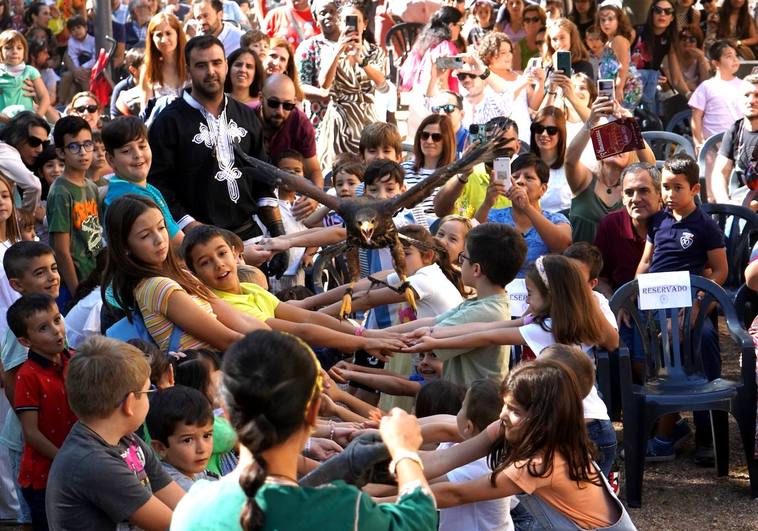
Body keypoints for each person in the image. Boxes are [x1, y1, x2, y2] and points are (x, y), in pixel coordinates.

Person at [170, 329, 437, 530]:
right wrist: (404, 451)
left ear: (226, 416)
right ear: (312, 412)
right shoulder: (343, 509)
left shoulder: (192, 507)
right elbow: (419, 518)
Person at [419, 357, 635, 530]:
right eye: (505, 404)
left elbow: (456, 494)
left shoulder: (541, 463)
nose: (503, 414)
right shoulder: (510, 427)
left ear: (545, 420)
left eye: (515, 411)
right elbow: (444, 458)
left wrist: (386, 505)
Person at [148, 34, 286, 271]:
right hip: (200, 248)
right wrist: (196, 231)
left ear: (226, 65)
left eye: (216, 63)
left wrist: (279, 235)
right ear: (189, 70)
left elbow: (262, 178)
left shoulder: (246, 116)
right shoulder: (169, 122)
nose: (211, 71)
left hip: (249, 237)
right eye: (201, 65)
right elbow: (158, 185)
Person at [181, 223, 406, 352]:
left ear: (234, 252)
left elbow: (307, 318)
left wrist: (362, 333)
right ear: (195, 273)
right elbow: (300, 330)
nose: (219, 264)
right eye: (205, 262)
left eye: (221, 254)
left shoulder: (251, 289)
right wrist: (364, 342)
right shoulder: (226, 305)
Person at [635, 153, 727, 463]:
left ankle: (707, 436)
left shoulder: (704, 226)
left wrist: (698, 306)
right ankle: (659, 430)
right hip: (654, 306)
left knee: (702, 343)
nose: (670, 195)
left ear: (695, 189)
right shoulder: (659, 221)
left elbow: (721, 270)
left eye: (678, 188)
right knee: (632, 346)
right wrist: (633, 294)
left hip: (690, 306)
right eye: (665, 187)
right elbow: (646, 263)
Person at [45, 336, 185, 530]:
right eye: (148, 391)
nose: (150, 398)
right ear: (129, 404)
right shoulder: (93, 462)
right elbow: (178, 525)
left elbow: (184, 504)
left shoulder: (126, 439)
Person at [102, 195, 269, 352]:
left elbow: (240, 319)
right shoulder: (157, 287)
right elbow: (227, 340)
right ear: (124, 246)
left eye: (161, 227)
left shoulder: (182, 275)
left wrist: (273, 339)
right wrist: (276, 349)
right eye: (145, 235)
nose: (159, 239)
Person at [385, 223, 527, 387]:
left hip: (470, 404)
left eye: (464, 257)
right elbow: (432, 322)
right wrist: (372, 335)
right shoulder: (483, 302)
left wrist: (367, 339)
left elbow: (429, 336)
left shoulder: (486, 310)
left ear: (476, 269)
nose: (460, 263)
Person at [7, 293, 76, 530]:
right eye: (44, 328)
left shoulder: (75, 360)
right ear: (26, 341)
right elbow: (31, 433)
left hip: (78, 467)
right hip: (45, 477)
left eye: (57, 320)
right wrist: (65, 460)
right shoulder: (28, 376)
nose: (57, 330)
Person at [565, 95, 656, 243]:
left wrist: (631, 125)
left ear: (632, 154)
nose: (616, 146)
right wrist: (591, 122)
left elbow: (650, 165)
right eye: (611, 140)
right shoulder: (586, 179)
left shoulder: (633, 187)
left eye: (622, 143)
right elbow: (570, 161)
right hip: (581, 261)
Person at [316, 3, 388, 172]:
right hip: (338, 121)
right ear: (340, 24)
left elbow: (381, 83)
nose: (351, 26)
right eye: (347, 21)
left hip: (366, 119)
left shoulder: (374, 52)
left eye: (356, 21)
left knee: (367, 172)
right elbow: (324, 84)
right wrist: (338, 51)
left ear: (364, 24)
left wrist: (361, 60)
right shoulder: (330, 51)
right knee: (337, 173)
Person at [474, 153, 571, 275]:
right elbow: (472, 240)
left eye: (529, 178)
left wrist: (527, 208)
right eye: (515, 177)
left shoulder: (556, 220)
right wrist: (487, 203)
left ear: (543, 189)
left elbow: (562, 247)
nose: (520, 181)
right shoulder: (493, 216)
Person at [438, 379, 511, 531]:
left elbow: (426, 481)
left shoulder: (484, 463)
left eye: (461, 407)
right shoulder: (458, 443)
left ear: (468, 426)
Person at [102, 116, 184, 248]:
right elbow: (177, 244)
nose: (138, 155)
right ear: (111, 159)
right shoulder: (128, 197)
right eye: (126, 151)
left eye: (142, 146)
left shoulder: (147, 188)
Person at [46, 116, 103, 301]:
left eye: (87, 144)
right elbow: (61, 250)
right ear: (61, 153)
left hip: (95, 276)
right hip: (75, 284)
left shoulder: (91, 186)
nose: (83, 152)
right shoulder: (61, 192)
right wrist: (76, 291)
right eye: (74, 146)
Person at [594, 163, 662, 296]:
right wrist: (615, 304)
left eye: (643, 190)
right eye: (629, 192)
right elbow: (599, 279)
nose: (635, 199)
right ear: (623, 198)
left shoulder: (677, 223)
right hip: (624, 311)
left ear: (659, 194)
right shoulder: (611, 225)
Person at [433, 117, 521, 219]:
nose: (495, 145)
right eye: (490, 140)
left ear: (517, 146)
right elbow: (440, 211)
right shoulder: (469, 173)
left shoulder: (526, 176)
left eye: (502, 140)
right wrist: (463, 173)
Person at [255, 74, 324, 192]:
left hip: (287, 193)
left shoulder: (300, 123)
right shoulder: (245, 117)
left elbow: (313, 170)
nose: (280, 111)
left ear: (294, 102)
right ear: (261, 98)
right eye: (273, 103)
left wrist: (315, 198)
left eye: (287, 105)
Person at [145, 385, 217, 492]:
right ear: (160, 448)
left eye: (206, 436)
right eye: (188, 440)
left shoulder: (194, 469)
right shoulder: (171, 483)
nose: (202, 449)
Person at [689, 40, 750, 155]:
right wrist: (698, 142)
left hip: (741, 144)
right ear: (716, 63)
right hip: (713, 147)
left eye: (736, 56)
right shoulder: (706, 87)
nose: (735, 59)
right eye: (729, 56)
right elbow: (696, 117)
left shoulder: (745, 85)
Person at [630, 0, 691, 110]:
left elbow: (676, 79)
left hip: (649, 91)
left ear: (672, 18)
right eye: (658, 10)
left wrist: (689, 95)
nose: (662, 14)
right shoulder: (635, 32)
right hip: (627, 88)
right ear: (651, 14)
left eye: (668, 11)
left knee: (650, 122)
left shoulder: (669, 41)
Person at [710, 73, 758, 205]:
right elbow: (720, 172)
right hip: (741, 205)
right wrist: (725, 203)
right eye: (746, 95)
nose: (751, 100)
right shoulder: (735, 130)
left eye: (757, 95)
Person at [401, 114, 457, 228]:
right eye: (425, 135)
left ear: (447, 140)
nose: (429, 141)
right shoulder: (402, 169)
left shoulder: (455, 175)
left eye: (436, 137)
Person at [295, 0, 339, 126]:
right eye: (323, 13)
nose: (328, 16)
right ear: (315, 19)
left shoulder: (354, 45)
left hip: (354, 122)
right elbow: (301, 86)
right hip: (321, 123)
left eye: (332, 11)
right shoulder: (308, 47)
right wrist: (331, 95)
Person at [596, 3, 642, 110]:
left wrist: (619, 88)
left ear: (618, 21)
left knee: (620, 120)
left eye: (610, 19)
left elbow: (624, 65)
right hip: (610, 88)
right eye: (602, 20)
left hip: (625, 87)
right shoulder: (609, 41)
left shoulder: (618, 40)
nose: (606, 23)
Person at [139, 13, 187, 116]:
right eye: (159, 35)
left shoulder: (192, 65)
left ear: (178, 34)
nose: (164, 40)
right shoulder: (148, 70)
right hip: (163, 129)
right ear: (152, 39)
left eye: (168, 33)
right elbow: (146, 114)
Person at [0, 111, 45, 211]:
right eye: (34, 142)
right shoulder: (5, 151)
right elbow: (34, 186)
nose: (40, 149)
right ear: (16, 136)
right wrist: (27, 216)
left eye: (44, 143)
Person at [530, 106, 571, 213]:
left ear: (561, 133)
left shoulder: (571, 165)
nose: (544, 134)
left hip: (563, 225)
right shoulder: (524, 164)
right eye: (539, 129)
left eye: (551, 130)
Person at [0, 30, 48, 119]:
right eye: (8, 48)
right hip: (3, 125)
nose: (14, 51)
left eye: (19, 48)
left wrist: (37, 118)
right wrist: (5, 120)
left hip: (26, 124)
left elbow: (44, 97)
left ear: (24, 51)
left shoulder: (30, 71)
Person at [263, 36, 305, 101]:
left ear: (286, 67)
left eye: (282, 59)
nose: (276, 63)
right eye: (273, 56)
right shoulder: (247, 85)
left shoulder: (293, 99)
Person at [672, 24, 709, 94]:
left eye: (692, 40)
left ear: (698, 44)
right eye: (684, 38)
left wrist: (701, 58)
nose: (687, 42)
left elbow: (706, 84)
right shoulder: (672, 59)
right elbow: (672, 85)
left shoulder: (701, 59)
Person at [514, 4, 545, 70]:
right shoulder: (518, 46)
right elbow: (516, 72)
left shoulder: (550, 42)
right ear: (523, 24)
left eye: (535, 19)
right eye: (527, 20)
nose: (531, 23)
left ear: (542, 22)